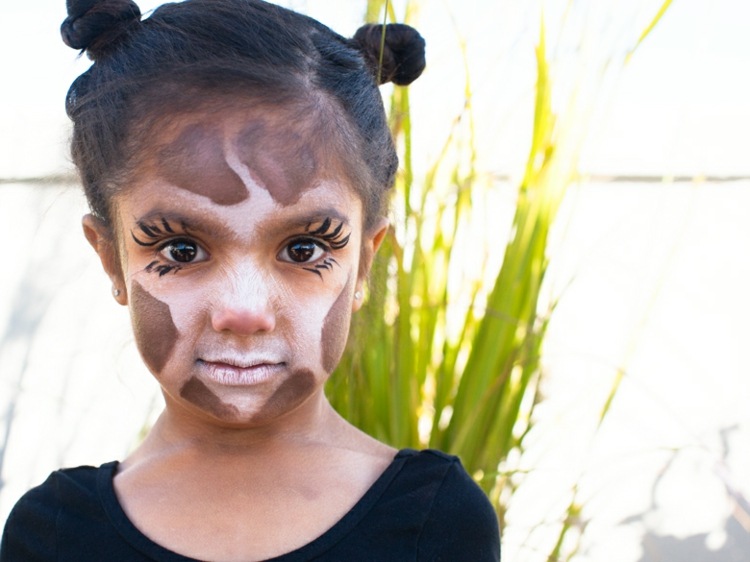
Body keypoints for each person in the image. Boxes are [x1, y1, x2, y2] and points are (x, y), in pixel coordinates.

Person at [0, 0, 500, 559]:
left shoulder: (435, 521)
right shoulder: (55, 535)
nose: (244, 310)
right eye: (181, 249)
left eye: (304, 248)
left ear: (363, 262)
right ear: (112, 258)